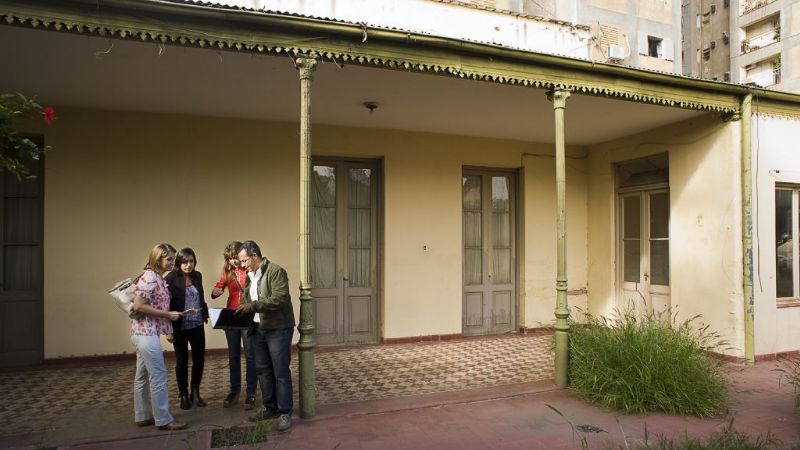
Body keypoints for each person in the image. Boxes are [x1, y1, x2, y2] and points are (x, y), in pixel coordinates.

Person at [235, 240, 295, 432]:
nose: (242, 265)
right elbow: (247, 298)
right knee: (262, 370)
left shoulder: (276, 271)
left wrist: (252, 305)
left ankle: (285, 412)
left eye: (244, 261)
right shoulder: (249, 275)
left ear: (254, 256)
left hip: (278, 328)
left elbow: (279, 298)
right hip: (258, 329)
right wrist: (241, 308)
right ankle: (270, 407)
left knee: (280, 372)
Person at [130, 243, 187, 431]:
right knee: (158, 375)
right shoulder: (150, 277)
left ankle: (142, 416)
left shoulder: (157, 278)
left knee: (142, 375)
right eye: (168, 258)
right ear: (158, 259)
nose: (172, 262)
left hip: (143, 332)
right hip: (146, 334)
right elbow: (138, 306)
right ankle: (163, 419)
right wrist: (168, 315)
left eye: (173, 258)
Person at [211, 241, 258, 409]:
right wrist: (216, 290)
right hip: (231, 315)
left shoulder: (250, 269)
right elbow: (221, 284)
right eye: (229, 258)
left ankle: (251, 392)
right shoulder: (228, 270)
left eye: (235, 257)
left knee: (250, 354)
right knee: (233, 356)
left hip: (247, 315)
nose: (234, 261)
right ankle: (234, 391)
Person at [165, 247, 210, 410]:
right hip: (179, 327)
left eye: (191, 261)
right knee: (181, 361)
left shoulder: (197, 276)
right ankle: (183, 393)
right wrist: (168, 329)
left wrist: (205, 314)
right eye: (185, 262)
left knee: (199, 359)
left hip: (197, 324)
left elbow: (201, 297)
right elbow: (166, 305)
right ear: (179, 263)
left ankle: (195, 391)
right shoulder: (170, 278)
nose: (188, 265)